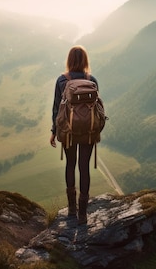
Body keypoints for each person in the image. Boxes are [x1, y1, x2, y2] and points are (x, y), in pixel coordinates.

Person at [50, 45, 99, 225]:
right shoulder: (91, 80)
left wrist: (54, 132)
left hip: (69, 132)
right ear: (85, 61)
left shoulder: (62, 81)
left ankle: (72, 209)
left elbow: (57, 108)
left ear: (69, 61)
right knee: (84, 167)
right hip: (88, 132)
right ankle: (83, 214)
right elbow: (97, 109)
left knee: (70, 165)